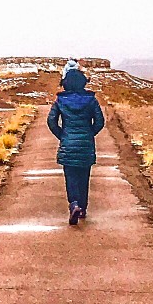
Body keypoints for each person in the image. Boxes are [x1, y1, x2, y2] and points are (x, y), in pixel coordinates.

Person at [46, 61, 105, 225]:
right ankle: (83, 209)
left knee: (70, 177)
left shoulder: (60, 101)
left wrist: (63, 136)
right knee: (84, 176)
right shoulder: (91, 100)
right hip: (86, 144)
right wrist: (89, 134)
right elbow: (100, 121)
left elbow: (51, 121)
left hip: (68, 143)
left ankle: (74, 204)